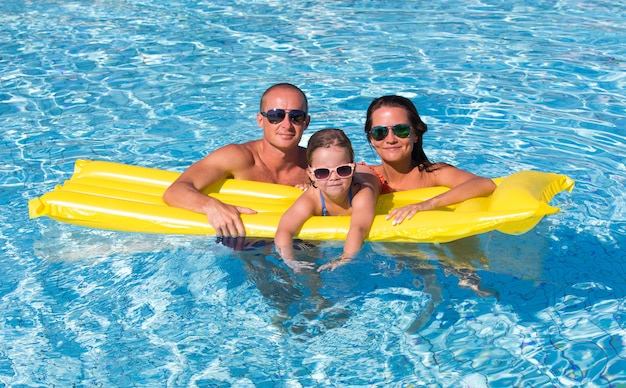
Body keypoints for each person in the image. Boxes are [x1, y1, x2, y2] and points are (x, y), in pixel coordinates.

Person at [163, 83, 311, 237]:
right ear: (260, 120)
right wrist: (212, 207)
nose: (286, 125)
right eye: (276, 116)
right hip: (236, 244)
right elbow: (175, 191)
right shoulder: (238, 158)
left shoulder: (318, 167)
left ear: (306, 122)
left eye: (296, 117)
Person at [363, 95, 497, 224]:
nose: (391, 139)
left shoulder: (431, 175)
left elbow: (485, 184)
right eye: (379, 132)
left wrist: (427, 204)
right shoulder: (365, 176)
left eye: (401, 130)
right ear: (371, 140)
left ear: (415, 135)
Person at [275, 129, 379, 273]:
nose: (334, 177)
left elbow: (358, 228)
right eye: (322, 173)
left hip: (369, 175)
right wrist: (290, 261)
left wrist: (345, 259)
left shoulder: (361, 192)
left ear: (353, 169)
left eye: (343, 170)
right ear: (311, 175)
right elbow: (284, 229)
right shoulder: (313, 197)